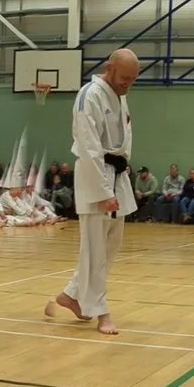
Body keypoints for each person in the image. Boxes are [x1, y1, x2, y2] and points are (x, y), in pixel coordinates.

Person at [49, 48, 141, 336]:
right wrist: (102, 192)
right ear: (109, 69)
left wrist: (124, 166)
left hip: (116, 174)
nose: (128, 84)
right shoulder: (89, 95)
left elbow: (124, 137)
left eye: (133, 79)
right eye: (125, 78)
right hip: (95, 177)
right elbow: (89, 146)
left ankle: (72, 294)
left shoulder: (119, 95)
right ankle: (101, 312)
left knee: (111, 244)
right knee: (94, 250)